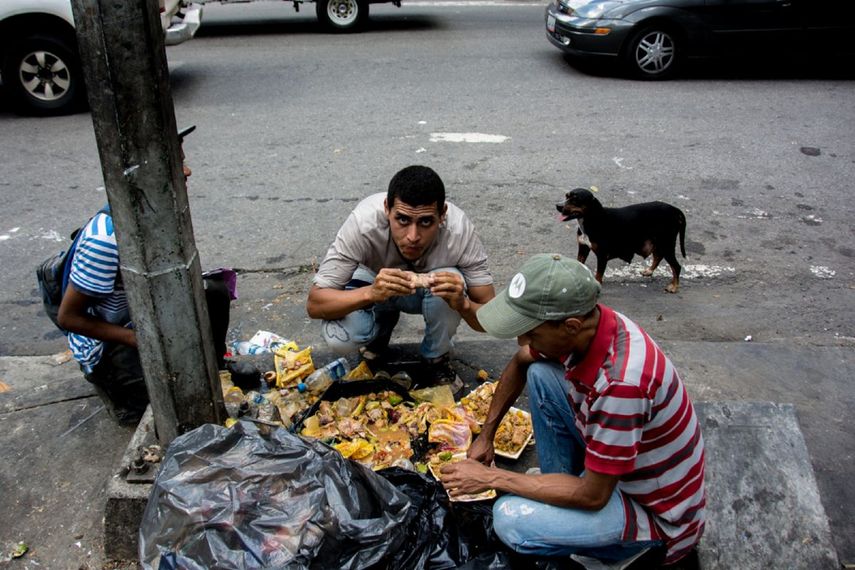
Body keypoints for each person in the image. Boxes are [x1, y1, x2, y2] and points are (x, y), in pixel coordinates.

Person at [440, 253, 705, 566]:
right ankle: (558, 487)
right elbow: (522, 360)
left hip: (653, 513)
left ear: (570, 326)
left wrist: (491, 478)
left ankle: (621, 552)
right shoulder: (591, 327)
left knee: (509, 519)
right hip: (620, 467)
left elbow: (593, 496)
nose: (522, 339)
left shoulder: (621, 385)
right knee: (539, 372)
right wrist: (487, 435)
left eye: (531, 331)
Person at [56, 126, 232, 425]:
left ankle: (217, 370)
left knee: (214, 292)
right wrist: (141, 340)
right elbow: (69, 318)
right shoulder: (106, 240)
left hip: (143, 318)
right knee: (167, 411)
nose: (187, 171)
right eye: (176, 165)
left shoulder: (160, 214)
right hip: (112, 345)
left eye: (183, 160)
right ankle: (120, 394)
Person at [306, 165, 495, 384]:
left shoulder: (460, 231)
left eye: (425, 222)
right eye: (403, 220)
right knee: (340, 338)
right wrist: (371, 293)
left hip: (428, 295)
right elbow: (315, 304)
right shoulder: (363, 223)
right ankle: (378, 331)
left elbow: (490, 318)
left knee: (453, 281)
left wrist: (462, 304)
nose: (413, 236)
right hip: (372, 284)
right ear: (387, 208)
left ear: (442, 215)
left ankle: (436, 356)